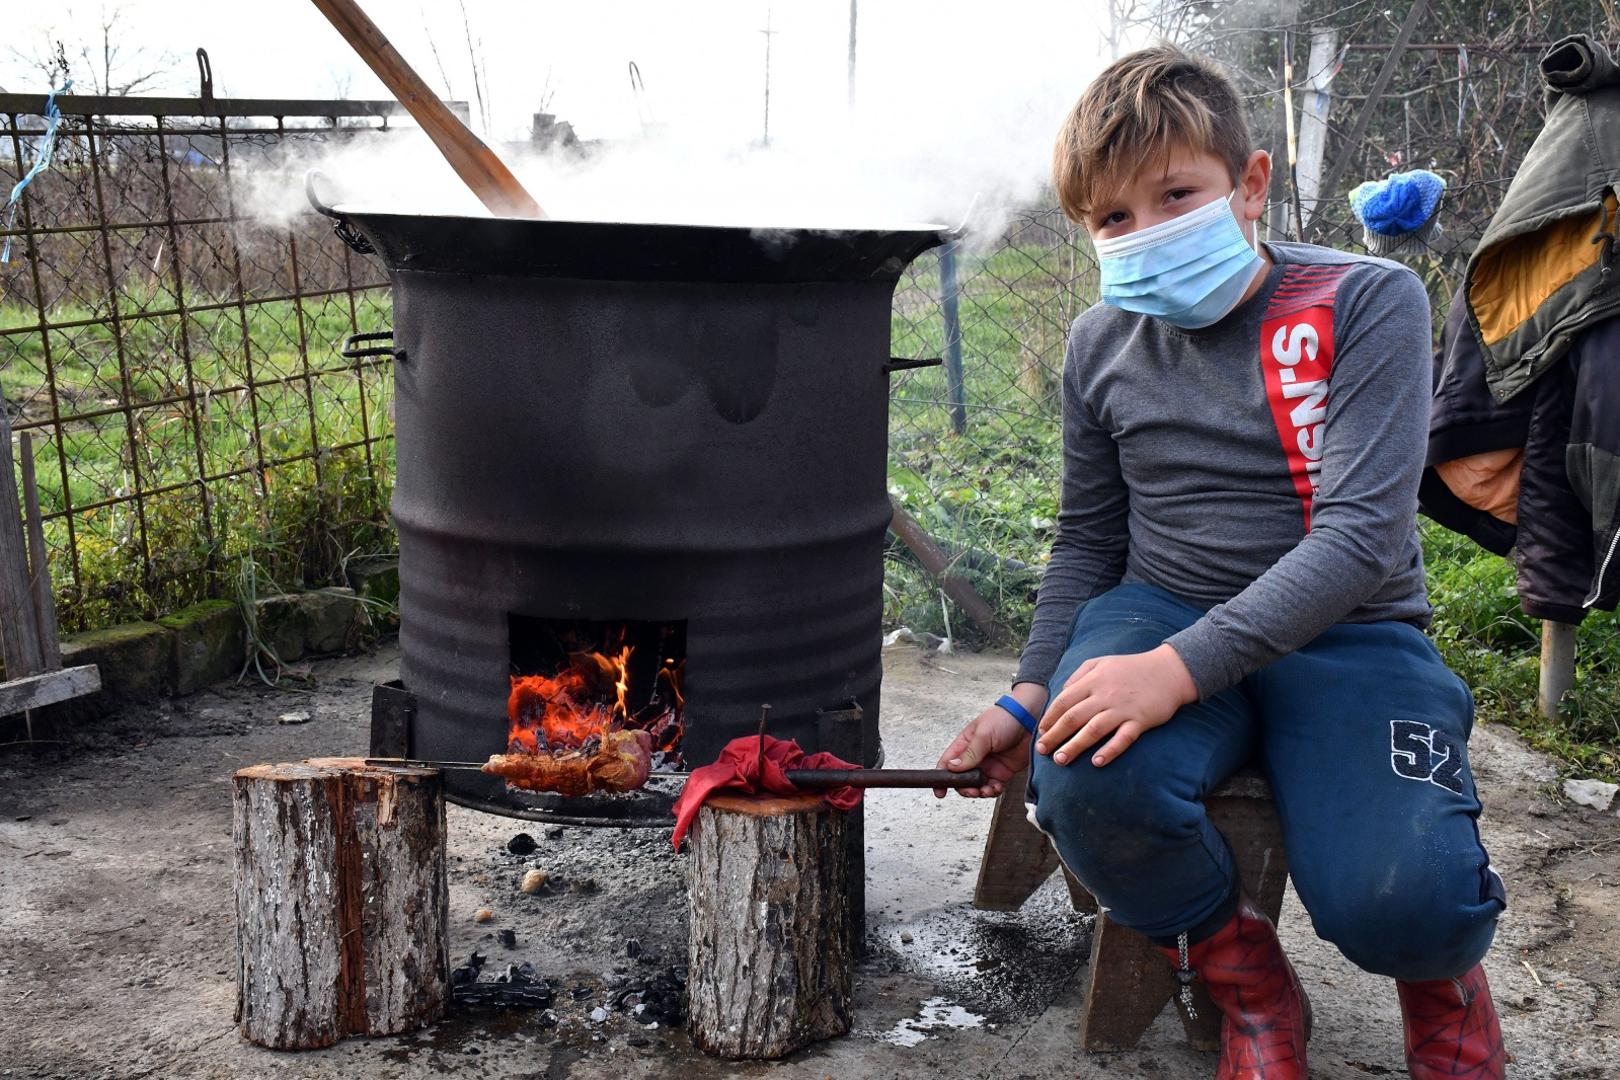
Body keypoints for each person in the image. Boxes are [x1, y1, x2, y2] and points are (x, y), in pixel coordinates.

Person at [934, 44, 1507, 1080]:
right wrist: (1025, 700)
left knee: (1409, 900)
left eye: (1176, 195)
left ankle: (1442, 981)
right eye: (1113, 217)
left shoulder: (1365, 302)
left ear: (1250, 185)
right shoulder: (1098, 344)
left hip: (1352, 628)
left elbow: (1362, 539)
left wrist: (1178, 672)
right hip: (1159, 602)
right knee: (1083, 786)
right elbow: (1089, 541)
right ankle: (1244, 978)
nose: (1145, 233)